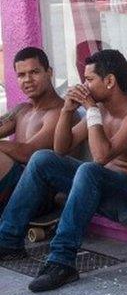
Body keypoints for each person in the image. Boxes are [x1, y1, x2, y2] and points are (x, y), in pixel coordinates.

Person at [0, 49, 127, 293]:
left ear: (110, 81)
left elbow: (102, 156)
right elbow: (61, 148)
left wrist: (91, 109)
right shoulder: (101, 112)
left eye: (90, 80)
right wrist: (67, 111)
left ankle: (61, 261)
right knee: (43, 159)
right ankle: (7, 241)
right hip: (103, 193)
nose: (84, 85)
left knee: (90, 170)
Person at [0, 47, 71, 210]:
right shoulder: (22, 110)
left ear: (49, 72)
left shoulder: (59, 112)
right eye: (21, 75)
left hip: (40, 192)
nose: (28, 79)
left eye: (34, 72)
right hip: (12, 186)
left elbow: (28, 153)